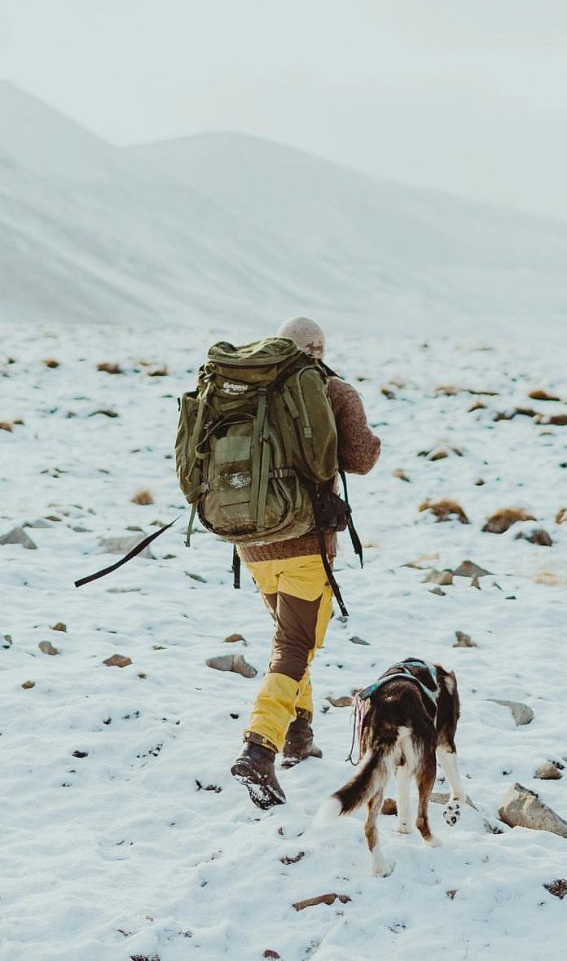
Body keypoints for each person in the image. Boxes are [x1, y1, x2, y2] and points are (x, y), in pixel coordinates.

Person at [231, 316, 381, 809]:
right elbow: (359, 458)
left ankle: (299, 733)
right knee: (296, 643)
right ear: (315, 349)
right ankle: (259, 747)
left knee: (290, 635)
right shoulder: (332, 390)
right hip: (304, 542)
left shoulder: (247, 389)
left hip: (251, 543)